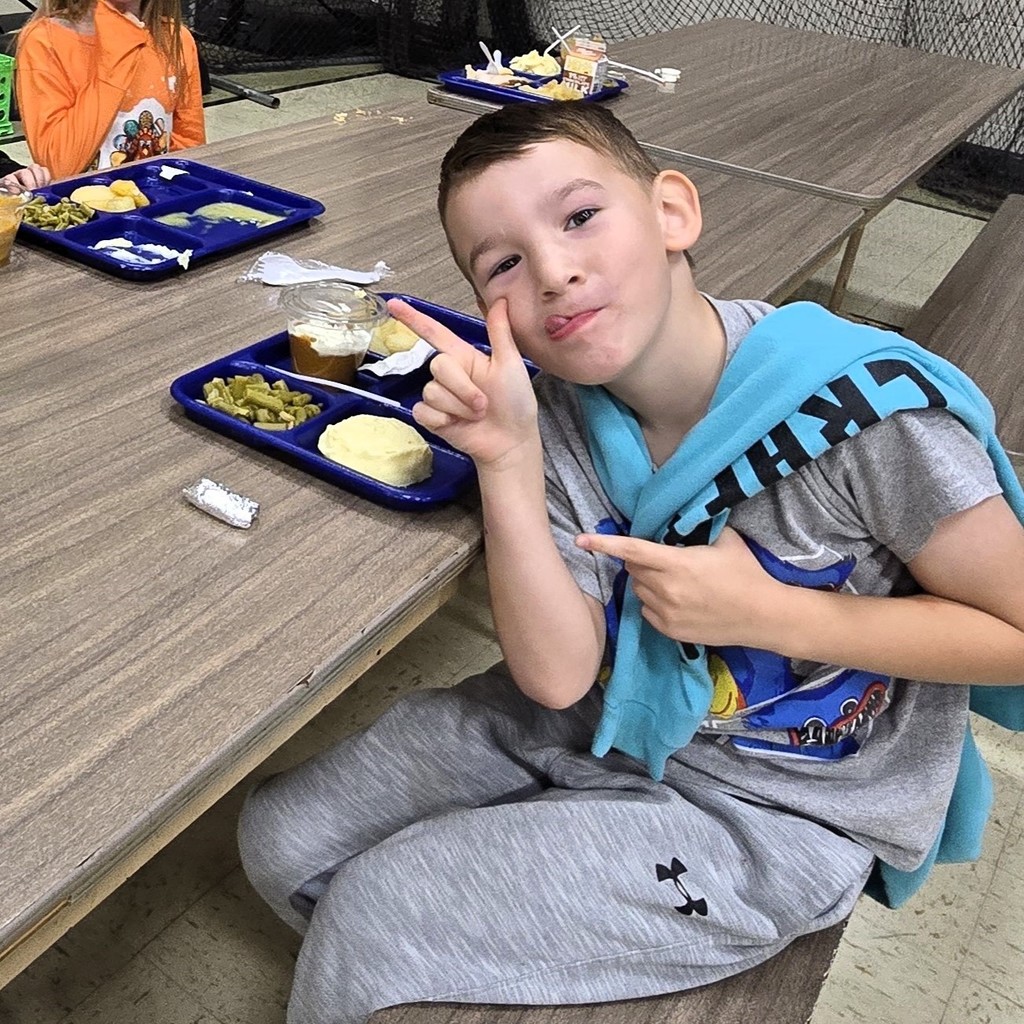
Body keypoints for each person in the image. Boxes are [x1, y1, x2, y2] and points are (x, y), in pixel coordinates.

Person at [238, 102, 1024, 1024]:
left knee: (378, 914)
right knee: (280, 837)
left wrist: (769, 616)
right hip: (602, 723)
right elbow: (558, 675)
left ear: (672, 215)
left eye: (579, 218)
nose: (556, 274)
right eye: (504, 264)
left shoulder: (865, 415)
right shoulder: (557, 418)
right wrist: (506, 459)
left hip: (780, 812)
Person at [15, 0, 204, 180]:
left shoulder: (176, 38)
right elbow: (59, 166)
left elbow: (190, 150)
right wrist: (117, 50)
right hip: (81, 206)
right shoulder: (45, 40)